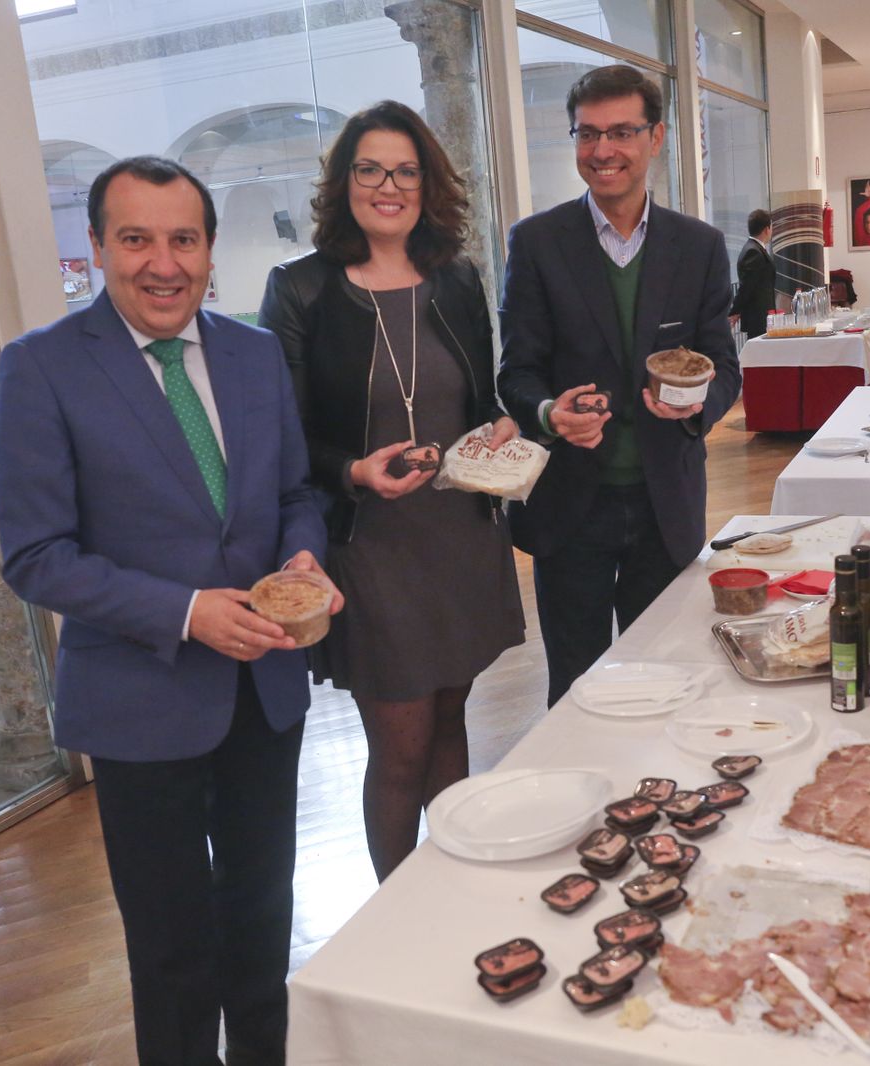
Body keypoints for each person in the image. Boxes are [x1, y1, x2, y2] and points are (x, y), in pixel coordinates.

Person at [0, 155, 339, 1065]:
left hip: (264, 691)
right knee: (174, 958)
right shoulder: (42, 369)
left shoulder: (254, 352)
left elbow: (296, 490)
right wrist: (186, 612)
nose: (162, 262)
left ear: (210, 250)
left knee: (264, 929)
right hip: (140, 706)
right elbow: (35, 556)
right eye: (136, 238)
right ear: (99, 247)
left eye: (183, 238)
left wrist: (305, 553)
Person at [259, 101, 525, 882]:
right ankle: (395, 915)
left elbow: (478, 404)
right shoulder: (300, 290)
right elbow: (285, 438)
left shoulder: (459, 279)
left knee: (451, 720)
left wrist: (498, 429)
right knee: (401, 744)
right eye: (370, 169)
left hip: (461, 535)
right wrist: (354, 470)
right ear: (344, 183)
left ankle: (454, 888)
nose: (388, 185)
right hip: (371, 547)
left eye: (406, 171)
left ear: (427, 184)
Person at [497, 64, 741, 706]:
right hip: (569, 504)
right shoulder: (537, 243)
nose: (603, 150)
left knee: (665, 681)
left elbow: (724, 363)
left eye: (622, 132)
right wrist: (549, 412)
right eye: (588, 134)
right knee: (574, 686)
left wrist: (693, 407)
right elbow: (515, 371)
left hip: (667, 503)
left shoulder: (699, 247)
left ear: (656, 137)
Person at [728, 208, 774, 338]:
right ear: (767, 229)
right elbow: (747, 286)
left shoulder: (755, 249)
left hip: (762, 317)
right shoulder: (753, 252)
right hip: (758, 317)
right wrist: (735, 311)